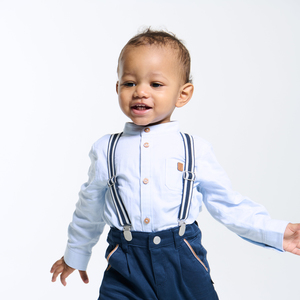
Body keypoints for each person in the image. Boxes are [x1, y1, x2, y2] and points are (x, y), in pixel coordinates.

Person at [50, 29, 300, 300]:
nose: (140, 92)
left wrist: (277, 233)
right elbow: (90, 207)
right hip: (125, 263)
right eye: (130, 83)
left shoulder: (194, 149)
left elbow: (227, 204)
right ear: (117, 87)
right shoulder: (106, 149)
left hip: (183, 258)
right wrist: (76, 253)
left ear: (183, 94)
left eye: (155, 84)